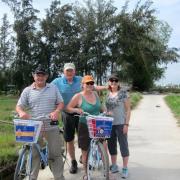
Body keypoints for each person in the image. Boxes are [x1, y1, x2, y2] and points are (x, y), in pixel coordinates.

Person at [51, 63, 107, 174]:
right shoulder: (57, 82)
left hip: (83, 113)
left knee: (85, 137)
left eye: (71, 70)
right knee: (70, 139)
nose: (69, 72)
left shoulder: (81, 79)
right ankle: (73, 161)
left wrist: (107, 87)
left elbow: (93, 86)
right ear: (64, 71)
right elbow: (47, 87)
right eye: (67, 71)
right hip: (68, 113)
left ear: (75, 71)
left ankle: (84, 156)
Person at [16, 65, 65, 180]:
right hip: (34, 126)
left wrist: (57, 111)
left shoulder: (53, 88)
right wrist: (21, 112)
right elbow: (19, 106)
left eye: (42, 75)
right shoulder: (27, 90)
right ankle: (32, 178)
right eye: (38, 75)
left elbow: (61, 103)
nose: (40, 77)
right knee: (34, 154)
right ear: (34, 76)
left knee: (55, 154)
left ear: (46, 77)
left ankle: (59, 177)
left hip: (51, 125)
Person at [66, 75, 103, 180]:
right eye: (88, 83)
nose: (90, 85)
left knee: (103, 146)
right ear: (82, 85)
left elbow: (100, 106)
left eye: (92, 83)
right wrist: (76, 110)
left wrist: (106, 111)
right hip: (84, 125)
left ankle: (107, 171)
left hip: (98, 124)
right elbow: (68, 108)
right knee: (85, 150)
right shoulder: (78, 96)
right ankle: (86, 173)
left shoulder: (95, 94)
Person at [105, 73, 131, 179]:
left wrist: (126, 124)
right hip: (109, 124)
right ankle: (114, 165)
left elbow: (128, 109)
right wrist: (106, 112)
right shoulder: (107, 94)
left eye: (116, 81)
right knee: (111, 145)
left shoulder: (123, 93)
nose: (113, 83)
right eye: (111, 81)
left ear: (118, 82)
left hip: (121, 124)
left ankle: (125, 168)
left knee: (123, 145)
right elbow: (105, 108)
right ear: (109, 82)